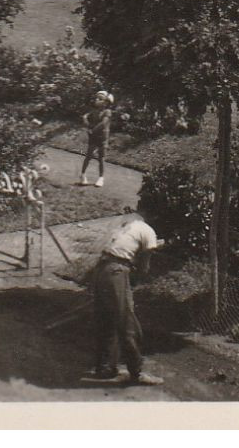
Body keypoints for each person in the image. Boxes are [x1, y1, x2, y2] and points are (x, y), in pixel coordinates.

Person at [87, 210, 164, 386]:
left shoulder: (125, 228)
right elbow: (145, 267)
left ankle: (105, 368)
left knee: (106, 320)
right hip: (116, 271)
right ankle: (137, 372)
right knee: (128, 324)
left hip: (101, 270)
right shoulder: (148, 231)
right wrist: (137, 279)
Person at [79, 91, 114, 187]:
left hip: (102, 138)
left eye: (100, 99)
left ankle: (101, 178)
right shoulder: (94, 111)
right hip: (93, 137)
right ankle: (82, 175)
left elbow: (103, 123)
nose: (97, 100)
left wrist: (92, 129)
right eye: (96, 98)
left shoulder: (107, 112)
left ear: (106, 102)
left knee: (101, 158)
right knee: (88, 156)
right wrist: (85, 119)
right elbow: (87, 122)